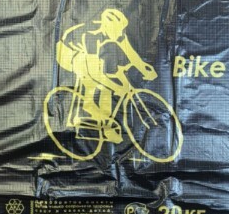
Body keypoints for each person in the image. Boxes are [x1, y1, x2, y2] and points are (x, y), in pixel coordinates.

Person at [55, 9, 157, 143]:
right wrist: (116, 87)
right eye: (117, 31)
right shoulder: (91, 36)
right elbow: (93, 73)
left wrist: (144, 70)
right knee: (92, 75)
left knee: (109, 75)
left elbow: (130, 52)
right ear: (107, 27)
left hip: (86, 52)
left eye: (121, 30)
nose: (120, 34)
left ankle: (105, 123)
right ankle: (89, 106)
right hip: (67, 52)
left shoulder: (116, 32)